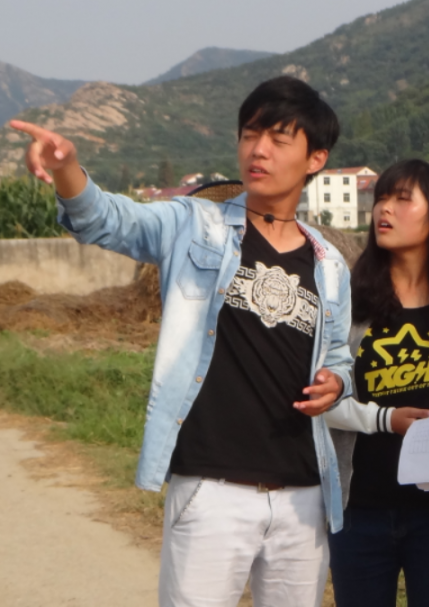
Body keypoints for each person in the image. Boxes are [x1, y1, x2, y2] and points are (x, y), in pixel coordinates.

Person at [8, 76, 354, 607]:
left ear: (316, 158)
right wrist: (66, 168)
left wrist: (337, 383)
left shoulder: (329, 264)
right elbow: (106, 219)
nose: (257, 150)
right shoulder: (194, 225)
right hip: (211, 490)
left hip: (303, 496)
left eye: (278, 138)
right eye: (249, 134)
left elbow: (339, 357)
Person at [320, 159, 429, 607]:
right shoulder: (349, 304)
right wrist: (385, 420)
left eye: (402, 199)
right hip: (359, 511)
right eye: (381, 198)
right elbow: (320, 399)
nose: (384, 209)